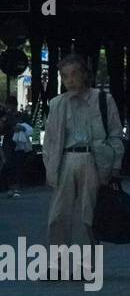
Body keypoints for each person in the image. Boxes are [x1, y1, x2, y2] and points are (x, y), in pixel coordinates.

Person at [42, 54, 125, 257]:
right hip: (66, 159)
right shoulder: (56, 104)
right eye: (64, 76)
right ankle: (58, 263)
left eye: (74, 74)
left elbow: (115, 134)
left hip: (93, 159)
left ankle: (86, 264)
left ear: (84, 75)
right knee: (58, 216)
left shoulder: (103, 99)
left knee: (88, 216)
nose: (69, 80)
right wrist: (49, 167)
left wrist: (115, 166)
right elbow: (50, 140)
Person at [6, 111, 33, 198]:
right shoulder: (10, 120)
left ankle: (13, 187)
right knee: (15, 166)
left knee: (15, 166)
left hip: (14, 147)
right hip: (15, 147)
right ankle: (14, 187)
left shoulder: (9, 119)